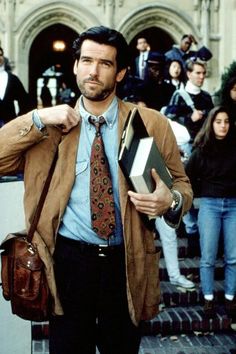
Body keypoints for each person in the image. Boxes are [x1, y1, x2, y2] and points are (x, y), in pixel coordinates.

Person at [0, 26, 193, 354]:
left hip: (126, 262)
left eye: (105, 63)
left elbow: (182, 187)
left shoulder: (149, 124)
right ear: (75, 65)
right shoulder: (49, 129)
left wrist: (169, 200)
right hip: (67, 263)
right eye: (86, 60)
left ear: (120, 73)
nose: (93, 70)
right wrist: (37, 117)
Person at [185, 106, 236, 318]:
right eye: (218, 121)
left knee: (233, 257)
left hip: (233, 205)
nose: (223, 125)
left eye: (226, 121)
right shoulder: (201, 151)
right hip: (210, 206)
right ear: (211, 124)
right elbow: (187, 178)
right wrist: (200, 194)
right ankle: (208, 299)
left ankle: (230, 299)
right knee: (208, 257)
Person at [165, 58, 214, 257]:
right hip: (186, 152)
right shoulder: (179, 95)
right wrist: (188, 119)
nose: (201, 77)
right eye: (198, 73)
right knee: (186, 190)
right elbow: (169, 121)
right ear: (189, 74)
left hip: (203, 152)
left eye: (203, 73)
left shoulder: (207, 97)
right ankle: (190, 233)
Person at [0, 46, 32, 127]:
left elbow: (25, 101)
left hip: (9, 127)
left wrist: (19, 120)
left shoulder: (13, 79)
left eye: (0, 54)